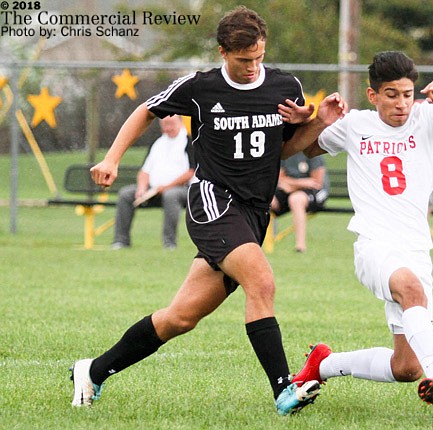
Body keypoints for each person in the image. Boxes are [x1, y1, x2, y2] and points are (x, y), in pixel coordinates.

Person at [72, 6, 346, 416]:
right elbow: (146, 109)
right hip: (214, 203)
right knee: (262, 281)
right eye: (242, 60)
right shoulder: (199, 88)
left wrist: (318, 121)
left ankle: (92, 371)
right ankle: (283, 389)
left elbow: (286, 149)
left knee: (179, 319)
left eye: (257, 57)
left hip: (254, 212)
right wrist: (112, 159)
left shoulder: (285, 85)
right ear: (222, 52)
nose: (252, 67)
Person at [290, 51, 433, 415]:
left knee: (406, 368)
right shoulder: (355, 124)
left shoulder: (430, 118)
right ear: (373, 95)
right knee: (411, 289)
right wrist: (317, 120)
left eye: (407, 94)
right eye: (392, 94)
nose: (402, 103)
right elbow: (298, 148)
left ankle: (324, 364)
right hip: (374, 244)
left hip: (416, 249)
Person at [112, 115, 195, 250]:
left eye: (171, 123)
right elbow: (144, 171)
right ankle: (121, 241)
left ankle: (169, 243)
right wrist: (141, 189)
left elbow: (191, 172)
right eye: (164, 124)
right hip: (153, 190)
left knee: (171, 196)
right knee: (126, 194)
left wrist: (167, 187)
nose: (168, 128)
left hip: (182, 191)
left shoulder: (189, 142)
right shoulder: (157, 143)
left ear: (180, 122)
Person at [270, 152, 329, 252]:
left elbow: (316, 183)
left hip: (315, 193)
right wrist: (299, 183)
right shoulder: (286, 152)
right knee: (267, 200)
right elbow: (280, 179)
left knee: (296, 199)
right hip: (290, 190)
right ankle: (258, 243)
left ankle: (300, 246)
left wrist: (292, 184)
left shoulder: (313, 153)